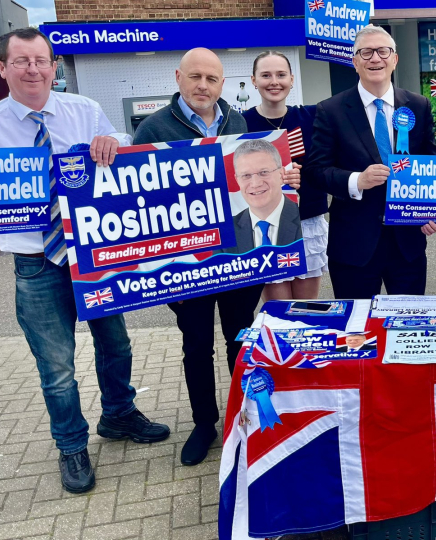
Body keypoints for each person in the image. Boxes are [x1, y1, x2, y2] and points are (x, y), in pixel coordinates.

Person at [0, 28, 169, 494]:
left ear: (54, 67)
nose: (33, 69)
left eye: (41, 60)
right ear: (3, 68)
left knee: (116, 344)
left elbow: (119, 136)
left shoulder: (82, 109)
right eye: (21, 61)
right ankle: (71, 445)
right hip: (36, 263)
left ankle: (118, 415)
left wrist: (113, 140)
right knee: (57, 369)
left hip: (94, 255)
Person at [134, 48, 263, 466]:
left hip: (236, 260)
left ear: (223, 83)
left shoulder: (238, 122)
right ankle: (204, 423)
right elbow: (138, 202)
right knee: (196, 347)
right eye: (195, 77)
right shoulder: (153, 128)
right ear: (178, 77)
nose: (203, 85)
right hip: (184, 267)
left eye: (212, 78)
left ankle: (243, 416)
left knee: (239, 342)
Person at [305, 25, 436, 299]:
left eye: (383, 51)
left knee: (408, 327)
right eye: (366, 52)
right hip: (353, 246)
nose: (375, 58)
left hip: (407, 244)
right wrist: (356, 180)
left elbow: (429, 161)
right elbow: (315, 171)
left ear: (394, 59)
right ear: (355, 62)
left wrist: (433, 210)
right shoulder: (331, 110)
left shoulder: (418, 105)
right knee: (357, 333)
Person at [243, 51, 329, 301]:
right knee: (278, 312)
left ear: (292, 79)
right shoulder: (241, 124)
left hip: (307, 221)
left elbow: (326, 165)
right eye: (266, 75)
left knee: (305, 310)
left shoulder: (311, 117)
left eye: (281, 75)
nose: (274, 82)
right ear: (254, 80)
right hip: (265, 226)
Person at [227, 139, 302, 251]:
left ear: (281, 174)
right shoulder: (226, 232)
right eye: (246, 175)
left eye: (264, 172)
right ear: (237, 180)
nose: (256, 183)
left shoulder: (304, 217)